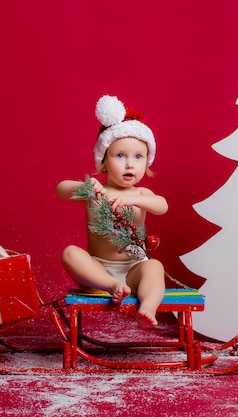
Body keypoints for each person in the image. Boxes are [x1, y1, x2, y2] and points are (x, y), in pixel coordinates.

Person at [56, 95, 168, 329]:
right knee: (70, 253)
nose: (130, 164)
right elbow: (61, 189)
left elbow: (162, 205)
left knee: (154, 267)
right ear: (104, 161)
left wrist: (130, 198)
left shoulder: (141, 194)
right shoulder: (96, 192)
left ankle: (147, 308)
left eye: (138, 157)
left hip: (134, 268)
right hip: (97, 270)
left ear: (147, 162)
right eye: (120, 156)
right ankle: (112, 285)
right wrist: (84, 188)